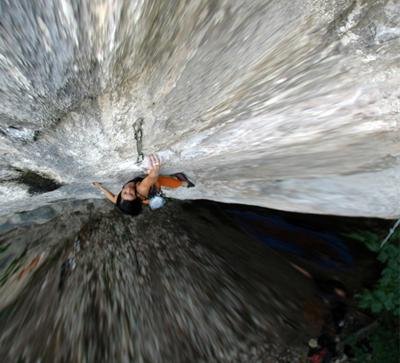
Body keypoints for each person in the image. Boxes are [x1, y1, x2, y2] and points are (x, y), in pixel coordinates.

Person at [92, 154, 194, 216]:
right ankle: (183, 183)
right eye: (131, 194)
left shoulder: (122, 199)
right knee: (160, 180)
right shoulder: (142, 188)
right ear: (136, 197)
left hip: (143, 198)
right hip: (150, 191)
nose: (127, 189)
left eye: (125, 192)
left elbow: (112, 197)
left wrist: (99, 187)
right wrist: (155, 167)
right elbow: (152, 177)